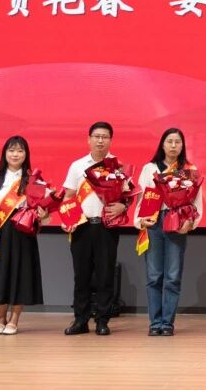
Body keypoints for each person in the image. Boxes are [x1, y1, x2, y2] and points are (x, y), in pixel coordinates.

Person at [62, 121, 131, 336]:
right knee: (81, 276)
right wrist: (66, 218)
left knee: (105, 275)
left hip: (106, 227)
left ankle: (103, 320)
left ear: (110, 140)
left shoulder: (117, 166)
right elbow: (68, 196)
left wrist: (123, 207)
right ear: (89, 139)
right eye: (96, 136)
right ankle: (80, 320)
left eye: (105, 137)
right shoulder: (77, 166)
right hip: (81, 227)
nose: (100, 140)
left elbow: (128, 197)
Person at [133, 128, 202, 336]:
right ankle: (155, 323)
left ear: (182, 145)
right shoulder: (149, 168)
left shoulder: (189, 169)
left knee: (172, 276)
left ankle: (167, 323)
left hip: (177, 222)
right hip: (154, 222)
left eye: (177, 142)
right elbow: (141, 198)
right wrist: (140, 220)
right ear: (162, 144)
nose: (173, 145)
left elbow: (196, 200)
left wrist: (191, 222)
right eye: (169, 141)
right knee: (154, 276)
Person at [0, 136, 45, 334]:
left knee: (20, 274)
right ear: (4, 153)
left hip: (22, 231)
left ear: (26, 155)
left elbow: (43, 213)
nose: (15, 154)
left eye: (20, 151)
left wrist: (43, 213)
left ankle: (14, 321)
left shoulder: (33, 179)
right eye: (11, 150)